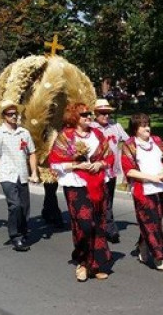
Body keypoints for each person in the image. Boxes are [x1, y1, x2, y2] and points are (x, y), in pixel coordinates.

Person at [48, 102, 114, 282]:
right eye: (84, 115)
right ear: (75, 117)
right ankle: (83, 262)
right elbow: (55, 163)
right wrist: (77, 165)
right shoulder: (66, 136)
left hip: (97, 183)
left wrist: (99, 164)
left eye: (89, 114)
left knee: (98, 223)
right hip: (76, 184)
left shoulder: (97, 134)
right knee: (84, 224)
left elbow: (109, 156)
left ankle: (96, 265)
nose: (88, 117)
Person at [0, 100, 38, 251]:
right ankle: (15, 236)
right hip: (6, 174)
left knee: (24, 207)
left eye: (16, 113)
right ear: (4, 116)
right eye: (10, 114)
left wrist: (34, 172)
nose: (14, 116)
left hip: (22, 174)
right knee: (15, 205)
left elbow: (32, 153)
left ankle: (22, 231)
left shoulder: (24, 133)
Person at [120, 113, 163, 271]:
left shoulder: (157, 141)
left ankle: (143, 244)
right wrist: (151, 177)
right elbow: (129, 170)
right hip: (143, 189)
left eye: (148, 124)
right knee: (151, 222)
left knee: (155, 220)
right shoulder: (129, 145)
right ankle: (158, 256)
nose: (147, 128)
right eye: (143, 126)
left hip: (159, 188)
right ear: (135, 129)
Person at [89, 98, 129, 244]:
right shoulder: (90, 127)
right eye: (102, 113)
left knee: (108, 199)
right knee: (97, 198)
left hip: (111, 170)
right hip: (96, 170)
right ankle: (108, 228)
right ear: (95, 113)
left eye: (108, 113)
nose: (106, 116)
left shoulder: (116, 126)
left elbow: (129, 142)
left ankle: (105, 225)